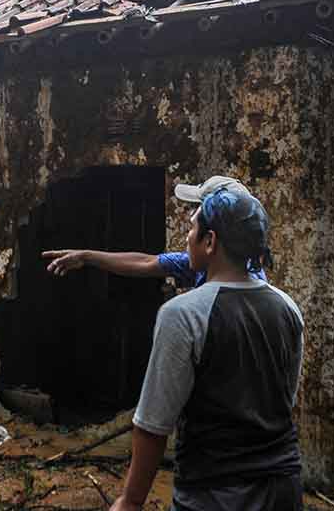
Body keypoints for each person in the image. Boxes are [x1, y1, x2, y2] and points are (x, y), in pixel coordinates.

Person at [111, 188, 303, 511]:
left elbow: (153, 425)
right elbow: (285, 399)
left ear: (210, 241)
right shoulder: (288, 308)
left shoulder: (183, 315)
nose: (187, 237)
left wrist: (130, 500)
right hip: (283, 489)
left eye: (191, 228)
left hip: (213, 493)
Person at [42, 175, 267, 288]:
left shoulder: (193, 311)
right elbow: (147, 262)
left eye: (199, 210)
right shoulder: (207, 267)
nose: (190, 227)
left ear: (211, 237)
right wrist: (86, 256)